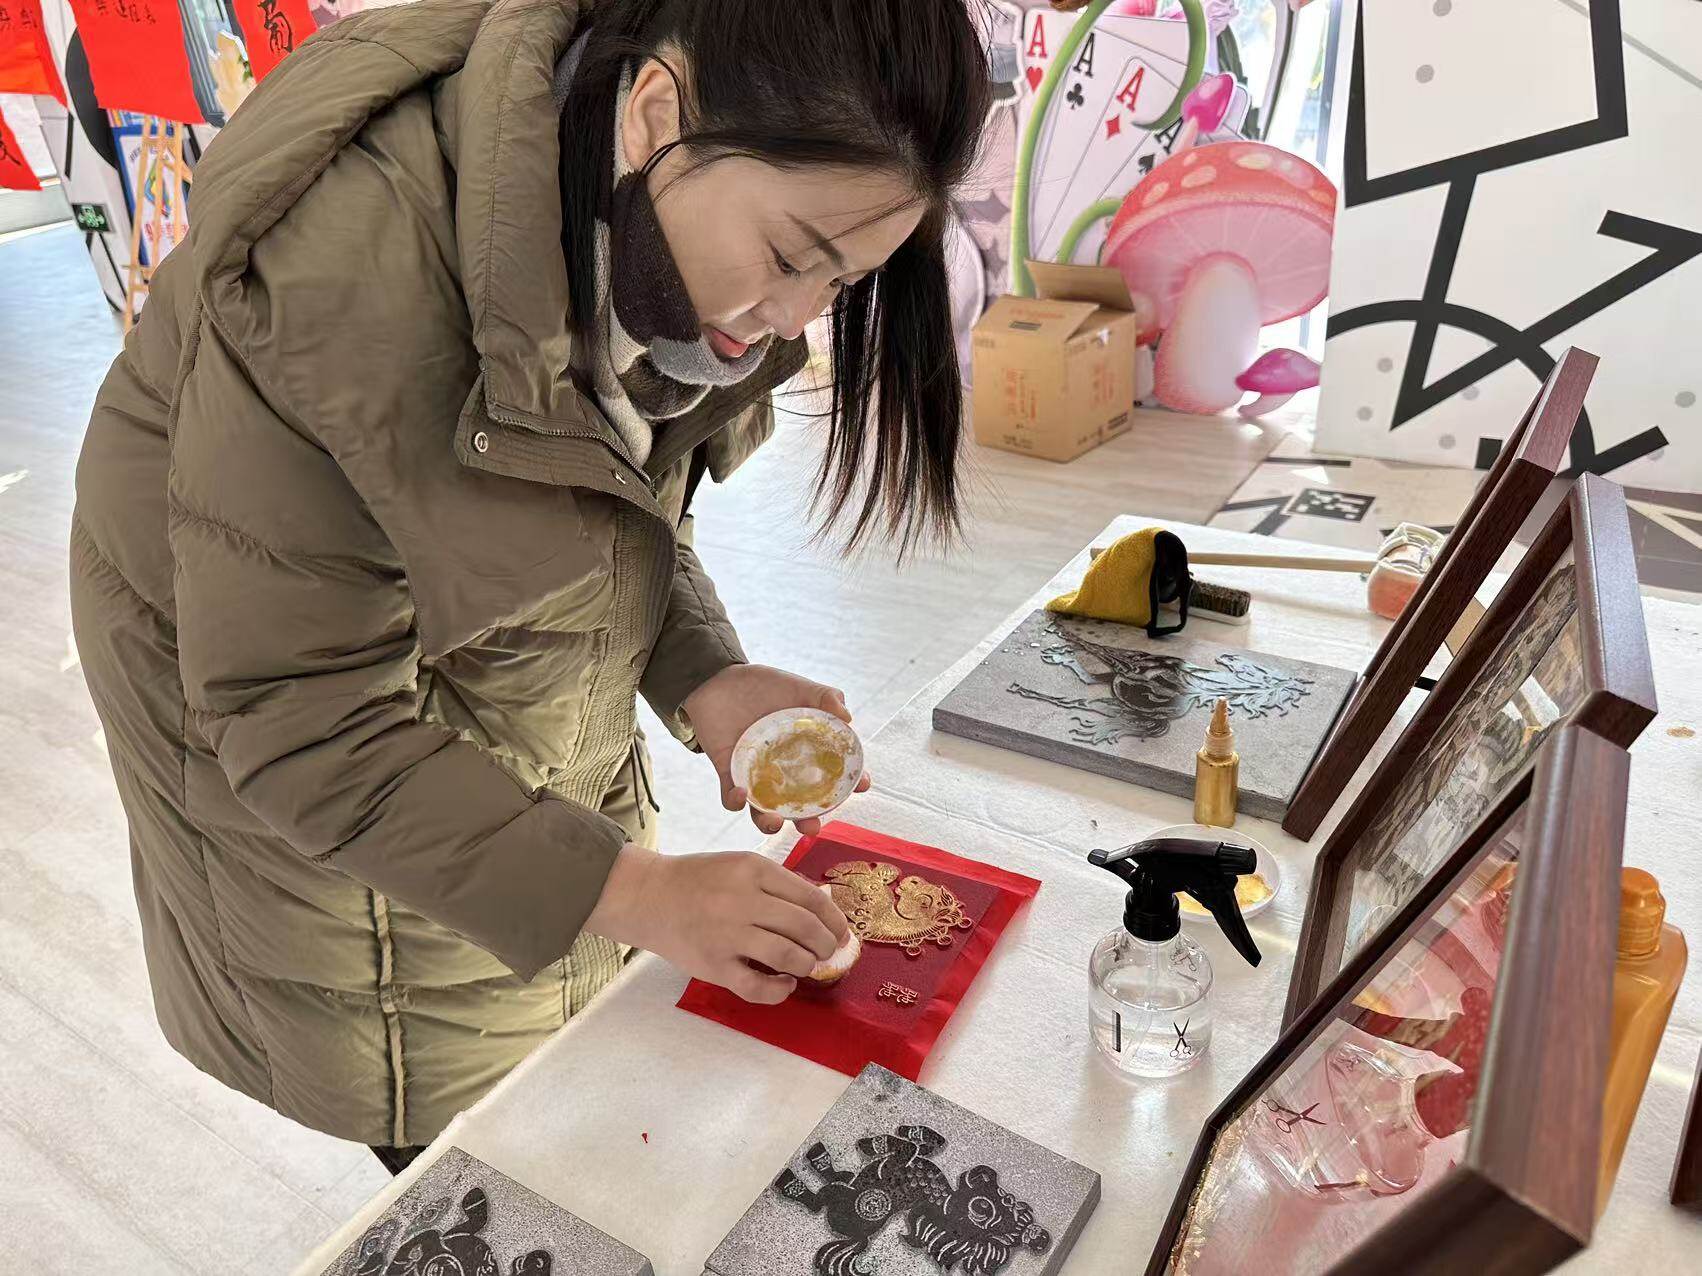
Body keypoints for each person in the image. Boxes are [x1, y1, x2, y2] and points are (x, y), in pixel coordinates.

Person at [68, 0, 990, 1172]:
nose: (796, 320)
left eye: (843, 285)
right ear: (655, 112)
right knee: (455, 1104)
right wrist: (638, 892)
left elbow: (595, 507)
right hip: (263, 674)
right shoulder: (344, 289)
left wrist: (704, 670)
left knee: (553, 1015)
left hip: (360, 670)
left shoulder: (622, 198)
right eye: (791, 257)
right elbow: (300, 723)